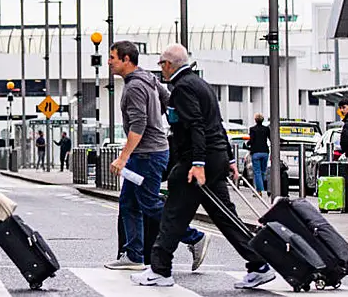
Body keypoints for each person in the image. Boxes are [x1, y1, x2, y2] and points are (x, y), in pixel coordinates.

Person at [132, 44, 275, 289]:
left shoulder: (182, 88)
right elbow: (216, 124)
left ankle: (160, 269)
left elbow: (196, 126)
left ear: (169, 64)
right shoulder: (201, 84)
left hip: (197, 163)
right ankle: (259, 264)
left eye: (161, 65)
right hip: (215, 158)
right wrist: (228, 158)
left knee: (173, 214)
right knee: (226, 216)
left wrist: (197, 164)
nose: (161, 70)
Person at [105, 41, 210, 272]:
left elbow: (138, 125)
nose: (109, 62)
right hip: (150, 153)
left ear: (126, 60)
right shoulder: (148, 79)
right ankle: (133, 255)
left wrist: (122, 158)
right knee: (128, 203)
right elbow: (169, 101)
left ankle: (195, 237)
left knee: (150, 204)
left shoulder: (134, 87)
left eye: (112, 57)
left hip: (147, 156)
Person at [248, 113, 270, 195]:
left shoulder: (252, 129)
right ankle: (265, 187)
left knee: (257, 172)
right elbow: (271, 138)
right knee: (263, 171)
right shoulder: (266, 129)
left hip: (256, 152)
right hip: (265, 152)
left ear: (255, 120)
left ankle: (259, 191)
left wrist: (247, 143)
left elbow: (252, 140)